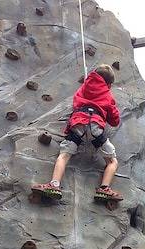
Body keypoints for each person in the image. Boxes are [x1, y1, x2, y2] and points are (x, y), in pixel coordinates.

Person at [31, 64, 122, 201]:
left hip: (78, 124)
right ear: (109, 83)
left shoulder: (83, 88)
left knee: (64, 155)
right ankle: (104, 188)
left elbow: (75, 104)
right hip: (95, 128)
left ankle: (54, 184)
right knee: (112, 161)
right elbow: (114, 120)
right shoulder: (108, 95)